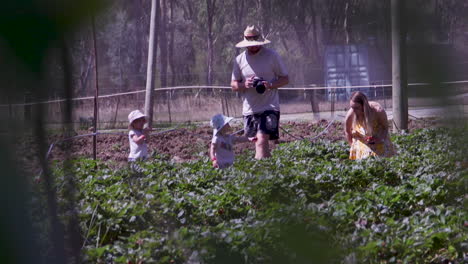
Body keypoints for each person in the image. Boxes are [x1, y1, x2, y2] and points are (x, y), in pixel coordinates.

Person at [231, 25, 289, 159]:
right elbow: (233, 85)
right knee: (258, 142)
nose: (253, 47)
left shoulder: (272, 56)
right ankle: (268, 173)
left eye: (256, 44)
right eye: (250, 44)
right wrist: (244, 84)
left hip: (270, 106)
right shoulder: (239, 60)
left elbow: (285, 78)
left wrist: (270, 85)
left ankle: (259, 174)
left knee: (262, 139)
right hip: (250, 109)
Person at [344, 91, 396, 160]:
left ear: (364, 106)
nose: (353, 110)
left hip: (379, 137)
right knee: (367, 156)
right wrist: (353, 147)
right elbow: (347, 131)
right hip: (360, 139)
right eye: (352, 107)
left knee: (383, 156)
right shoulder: (351, 114)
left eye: (356, 108)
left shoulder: (378, 111)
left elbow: (385, 128)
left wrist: (380, 139)